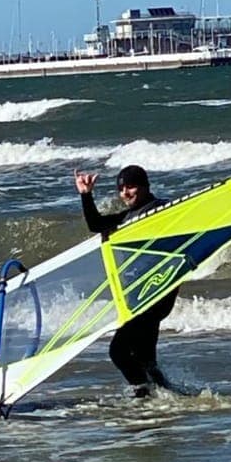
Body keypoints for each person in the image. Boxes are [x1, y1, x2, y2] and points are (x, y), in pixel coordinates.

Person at [73, 163, 178, 398]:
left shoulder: (162, 208)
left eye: (130, 187)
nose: (125, 193)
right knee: (145, 358)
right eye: (121, 189)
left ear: (144, 186)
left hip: (155, 294)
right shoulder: (127, 216)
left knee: (118, 351)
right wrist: (86, 195)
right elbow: (96, 225)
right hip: (140, 296)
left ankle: (147, 396)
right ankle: (169, 396)